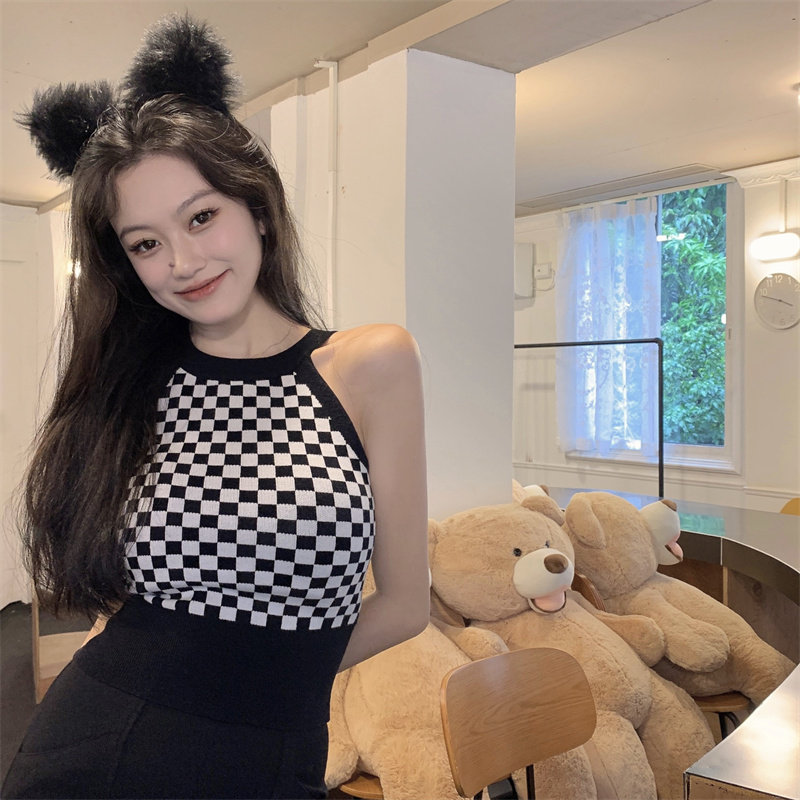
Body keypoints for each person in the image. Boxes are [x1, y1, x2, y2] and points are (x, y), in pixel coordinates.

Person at [2, 14, 429, 800]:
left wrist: (272, 689)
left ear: (256, 208)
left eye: (201, 217)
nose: (183, 261)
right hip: (94, 741)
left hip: (273, 746)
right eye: (146, 243)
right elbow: (125, 601)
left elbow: (406, 605)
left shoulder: (371, 364)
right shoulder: (134, 387)